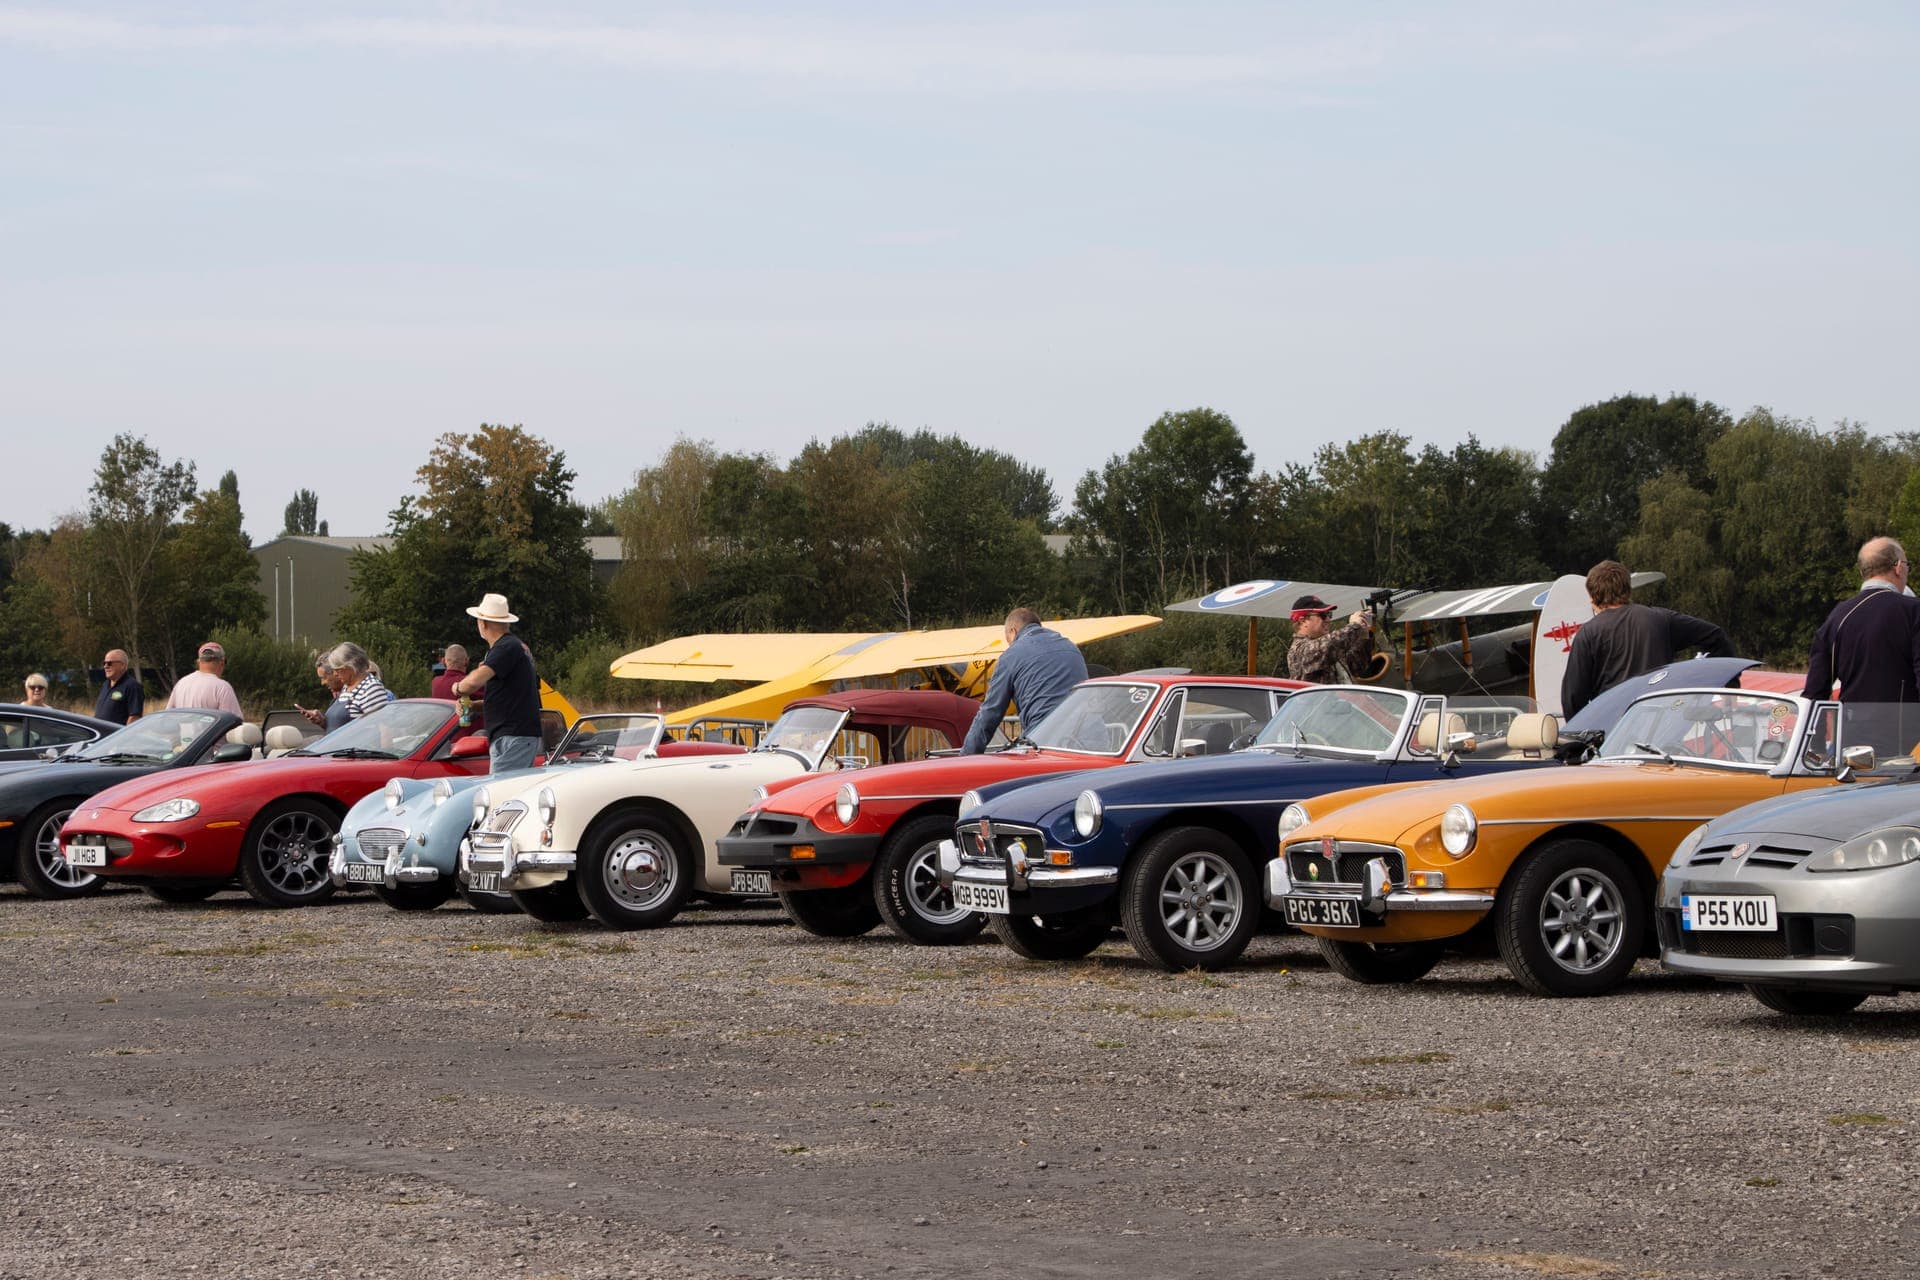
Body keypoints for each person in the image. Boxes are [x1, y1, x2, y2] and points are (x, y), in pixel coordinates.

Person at [1561, 561, 1734, 718]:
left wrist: (1580, 741)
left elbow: (1573, 697)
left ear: (1592, 596)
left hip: (1614, 730)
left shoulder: (1588, 633)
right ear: (1628, 589)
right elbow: (1715, 636)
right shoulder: (1661, 619)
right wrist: (1728, 686)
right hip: (1661, 726)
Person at [1802, 537, 1920, 756]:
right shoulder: (1913, 612)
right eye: (1907, 565)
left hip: (1850, 746)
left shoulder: (1836, 617)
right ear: (1898, 567)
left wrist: (1815, 748)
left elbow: (1815, 692)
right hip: (1906, 749)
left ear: (1862, 573)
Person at [961, 608, 1089, 754]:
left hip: (1049, 744)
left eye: (1008, 641)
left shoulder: (1011, 655)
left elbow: (989, 714)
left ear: (1013, 631)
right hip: (1093, 741)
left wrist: (966, 757)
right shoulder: (1071, 647)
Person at [455, 593, 541, 773]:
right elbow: (509, 698)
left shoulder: (506, 647)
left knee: (501, 795)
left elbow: (474, 681)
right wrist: (474, 707)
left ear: (483, 623)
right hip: (515, 735)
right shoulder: (513, 647)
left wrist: (457, 688)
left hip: (513, 736)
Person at [1286, 595, 1374, 684]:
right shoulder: (1299, 650)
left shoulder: (1329, 648)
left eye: (1329, 614)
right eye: (1323, 615)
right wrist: (1355, 625)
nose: (1328, 620)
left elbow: (1357, 666)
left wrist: (1364, 634)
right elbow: (1329, 646)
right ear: (1303, 621)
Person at [167, 641, 245, 715]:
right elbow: (234, 722)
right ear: (222, 663)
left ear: (198, 662)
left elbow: (168, 716)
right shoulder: (223, 687)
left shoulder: (181, 684)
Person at [329, 642, 395, 719]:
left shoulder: (371, 688)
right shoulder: (346, 687)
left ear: (350, 666)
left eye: (337, 670)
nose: (335, 674)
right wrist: (323, 722)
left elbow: (381, 723)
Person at [298, 653, 351, 731]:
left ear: (335, 672)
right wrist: (322, 722)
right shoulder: (339, 697)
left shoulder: (359, 693)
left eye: (324, 678)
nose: (322, 683)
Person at [94, 649, 143, 724]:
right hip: (102, 734)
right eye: (104, 663)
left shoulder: (132, 686)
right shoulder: (105, 684)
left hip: (118, 734)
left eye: (109, 663)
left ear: (122, 665)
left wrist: (124, 735)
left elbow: (134, 717)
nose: (105, 666)